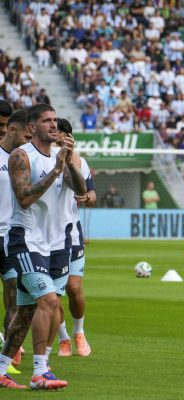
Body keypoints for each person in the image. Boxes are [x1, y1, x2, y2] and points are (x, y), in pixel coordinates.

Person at [0, 104, 86, 390]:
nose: (53, 125)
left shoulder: (61, 156)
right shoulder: (22, 156)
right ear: (32, 127)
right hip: (26, 240)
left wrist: (68, 161)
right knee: (48, 301)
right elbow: (24, 198)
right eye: (46, 120)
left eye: (54, 120)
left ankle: (0, 369)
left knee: (26, 311)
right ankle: (40, 371)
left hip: (57, 244)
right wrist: (56, 170)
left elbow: (80, 191)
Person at [55, 118, 96, 358]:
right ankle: (63, 338)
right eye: (56, 133)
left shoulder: (78, 160)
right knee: (53, 295)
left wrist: (86, 197)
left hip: (72, 232)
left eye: (64, 134)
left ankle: (79, 333)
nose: (60, 138)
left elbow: (92, 195)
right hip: (47, 236)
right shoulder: (40, 159)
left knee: (73, 287)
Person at [0, 110, 31, 377]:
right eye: (26, 136)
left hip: (10, 239)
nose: (29, 141)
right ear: (13, 130)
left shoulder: (24, 160)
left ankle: (6, 358)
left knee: (14, 298)